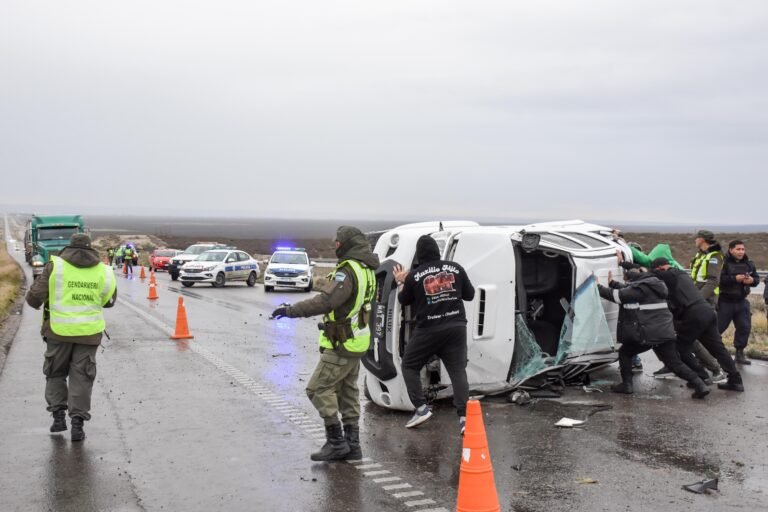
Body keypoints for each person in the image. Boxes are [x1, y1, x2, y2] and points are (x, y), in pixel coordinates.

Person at [271, 226, 378, 462]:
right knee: (347, 392)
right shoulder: (367, 269)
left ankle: (336, 442)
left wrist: (290, 311)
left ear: (347, 244)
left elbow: (326, 301)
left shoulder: (348, 271)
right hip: (357, 342)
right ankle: (353, 445)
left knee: (317, 389)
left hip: (342, 342)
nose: (335, 245)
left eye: (338, 242)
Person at [25, 234, 117, 441]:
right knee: (82, 376)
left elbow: (33, 299)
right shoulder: (104, 270)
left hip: (58, 331)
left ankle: (58, 417)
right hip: (89, 333)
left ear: (69, 247)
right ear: (91, 248)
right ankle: (78, 424)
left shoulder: (55, 266)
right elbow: (109, 302)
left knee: (55, 372)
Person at [392, 235, 475, 434]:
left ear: (420, 254)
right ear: (437, 251)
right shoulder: (455, 268)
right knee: (458, 372)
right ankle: (465, 419)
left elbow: (404, 300)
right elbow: (470, 295)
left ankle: (421, 409)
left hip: (428, 329)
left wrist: (401, 281)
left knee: (410, 365)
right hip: (456, 327)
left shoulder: (415, 275)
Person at [596, 267, 710, 398]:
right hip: (665, 332)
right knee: (674, 363)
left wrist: (598, 286)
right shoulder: (654, 286)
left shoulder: (639, 289)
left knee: (625, 353)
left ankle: (627, 385)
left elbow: (619, 296)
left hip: (649, 333)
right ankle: (700, 385)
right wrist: (613, 284)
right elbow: (629, 292)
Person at [651, 257, 744, 392]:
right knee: (718, 348)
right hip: (707, 311)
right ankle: (735, 380)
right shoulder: (682, 274)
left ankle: (701, 376)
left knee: (680, 348)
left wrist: (632, 268)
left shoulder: (668, 274)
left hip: (694, 314)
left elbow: (649, 275)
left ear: (660, 267)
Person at [718, 240, 760, 365]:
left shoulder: (749, 264)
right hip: (725, 301)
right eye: (738, 249)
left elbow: (757, 279)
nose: (741, 252)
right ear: (731, 250)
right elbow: (718, 279)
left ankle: (739, 354)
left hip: (742, 301)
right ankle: (709, 353)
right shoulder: (723, 263)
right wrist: (734, 279)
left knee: (744, 328)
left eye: (743, 249)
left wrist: (752, 280)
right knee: (717, 328)